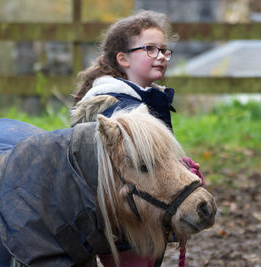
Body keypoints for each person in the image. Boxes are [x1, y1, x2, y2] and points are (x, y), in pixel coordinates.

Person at [70, 10, 203, 267]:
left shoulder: (141, 98)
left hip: (139, 216)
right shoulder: (116, 107)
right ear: (123, 59)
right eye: (150, 49)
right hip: (127, 224)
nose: (161, 57)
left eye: (164, 50)